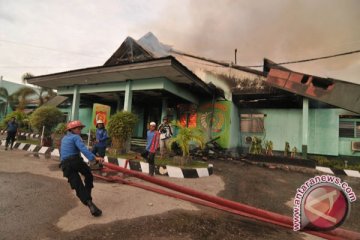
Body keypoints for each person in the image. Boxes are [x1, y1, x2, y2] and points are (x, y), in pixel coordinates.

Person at [60, 120, 104, 217]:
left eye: (80, 128)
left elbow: (62, 153)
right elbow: (83, 149)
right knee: (88, 175)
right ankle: (88, 196)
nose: (80, 130)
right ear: (71, 130)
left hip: (65, 165)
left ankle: (90, 203)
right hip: (75, 161)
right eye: (78, 128)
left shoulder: (64, 138)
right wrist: (94, 158)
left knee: (78, 185)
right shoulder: (76, 137)